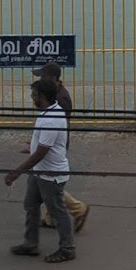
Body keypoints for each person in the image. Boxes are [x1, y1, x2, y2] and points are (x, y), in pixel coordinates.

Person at [5, 77, 75, 263]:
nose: (31, 98)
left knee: (58, 212)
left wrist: (16, 172)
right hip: (39, 172)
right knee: (30, 204)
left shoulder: (52, 119)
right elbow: (41, 146)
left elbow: (42, 153)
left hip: (50, 175)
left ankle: (67, 249)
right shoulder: (47, 112)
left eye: (34, 95)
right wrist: (32, 146)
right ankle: (31, 243)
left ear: (42, 96)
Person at [34, 62, 89, 233]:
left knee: (50, 184)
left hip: (54, 145)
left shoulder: (60, 99)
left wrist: (41, 145)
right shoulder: (56, 94)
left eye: (42, 77)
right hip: (50, 142)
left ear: (52, 79)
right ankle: (51, 218)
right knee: (47, 181)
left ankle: (78, 208)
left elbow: (55, 127)